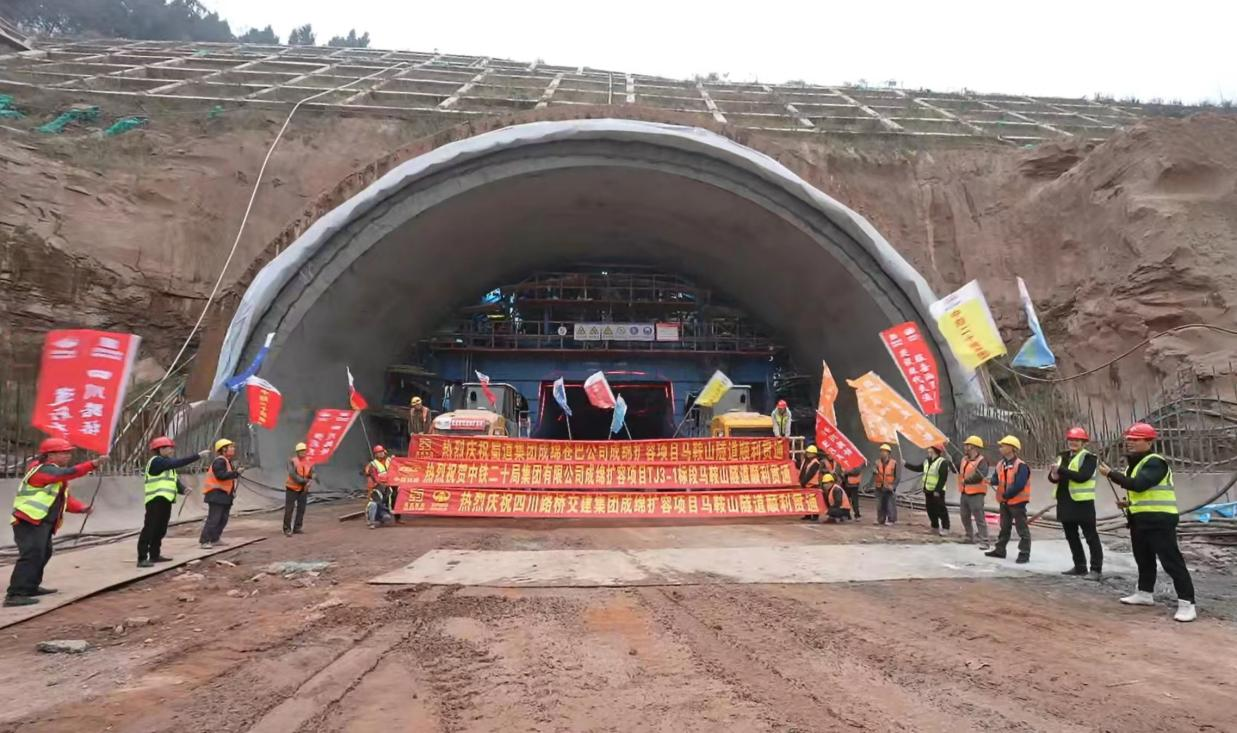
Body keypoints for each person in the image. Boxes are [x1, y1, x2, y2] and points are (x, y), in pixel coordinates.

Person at [1100, 422, 1195, 622]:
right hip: (1140, 519)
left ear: (1149, 442)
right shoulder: (1134, 465)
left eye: (1136, 440)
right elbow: (1139, 491)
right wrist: (1128, 503)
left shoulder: (1155, 463)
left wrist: (1110, 474)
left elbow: (1140, 485)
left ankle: (1187, 603)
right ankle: (1144, 593)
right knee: (1143, 559)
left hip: (1160, 520)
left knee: (1172, 562)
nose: (1131, 443)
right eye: (1129, 440)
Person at [5, 439, 104, 607]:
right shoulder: (42, 470)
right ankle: (15, 594)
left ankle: (31, 586)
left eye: (68, 452)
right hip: (29, 520)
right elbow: (69, 472)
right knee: (31, 555)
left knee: (44, 553)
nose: (68, 456)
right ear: (50, 455)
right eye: (64, 452)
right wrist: (92, 464)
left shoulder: (54, 474)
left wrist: (81, 508)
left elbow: (61, 498)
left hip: (41, 522)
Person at [139, 436, 210, 567]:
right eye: (169, 448)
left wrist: (182, 489)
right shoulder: (157, 461)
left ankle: (154, 555)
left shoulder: (166, 464)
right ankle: (142, 557)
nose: (171, 450)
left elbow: (173, 481)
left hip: (165, 500)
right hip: (155, 500)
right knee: (150, 529)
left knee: (160, 529)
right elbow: (177, 463)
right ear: (160, 449)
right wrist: (197, 456)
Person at [1050, 427, 1102, 579]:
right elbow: (1054, 477)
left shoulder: (1089, 458)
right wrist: (1054, 474)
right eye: (1071, 440)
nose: (1073, 443)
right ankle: (1080, 566)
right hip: (1065, 501)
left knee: (1091, 537)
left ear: (1083, 442)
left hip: (1082, 503)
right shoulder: (1062, 456)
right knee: (1071, 536)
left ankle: (1096, 569)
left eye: (1077, 440)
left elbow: (1082, 477)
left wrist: (1061, 470)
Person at [985, 436, 1031, 563]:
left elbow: (1020, 484)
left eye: (1003, 446)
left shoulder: (1021, 466)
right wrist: (990, 481)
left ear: (1012, 448)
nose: (1000, 448)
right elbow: (996, 479)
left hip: (1017, 502)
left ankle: (1024, 553)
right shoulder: (1001, 464)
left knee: (1022, 529)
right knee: (1004, 527)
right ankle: (1000, 550)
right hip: (1004, 501)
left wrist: (1007, 494)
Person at [199, 438, 241, 549]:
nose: (233, 449)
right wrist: (236, 473)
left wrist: (232, 492)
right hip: (216, 494)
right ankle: (205, 540)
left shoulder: (226, 461)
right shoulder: (219, 461)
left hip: (224, 495)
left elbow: (228, 480)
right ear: (223, 449)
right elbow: (221, 476)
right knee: (214, 518)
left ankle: (215, 539)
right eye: (231, 447)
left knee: (223, 519)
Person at [906, 445, 950, 535]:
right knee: (930, 510)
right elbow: (918, 468)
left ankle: (945, 527)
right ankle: (934, 527)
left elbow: (943, 478)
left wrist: (937, 490)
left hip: (938, 491)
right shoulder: (927, 461)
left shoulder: (942, 462)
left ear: (935, 451)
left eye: (930, 449)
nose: (928, 451)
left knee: (941, 510)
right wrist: (906, 464)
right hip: (928, 490)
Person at [958, 436, 991, 549]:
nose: (965, 447)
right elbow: (958, 469)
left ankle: (984, 541)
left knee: (979, 518)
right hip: (964, 492)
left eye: (967, 445)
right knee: (964, 516)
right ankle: (969, 536)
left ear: (974, 447)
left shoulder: (982, 461)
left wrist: (966, 480)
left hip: (977, 493)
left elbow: (981, 475)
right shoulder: (964, 459)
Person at [283, 442, 315, 537]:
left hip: (303, 489)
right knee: (289, 509)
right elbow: (292, 475)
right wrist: (304, 481)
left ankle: (297, 527)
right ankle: (287, 528)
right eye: (301, 451)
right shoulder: (292, 461)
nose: (303, 453)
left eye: (304, 451)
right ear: (297, 452)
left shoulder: (309, 461)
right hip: (292, 488)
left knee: (301, 509)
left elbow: (313, 472)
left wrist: (310, 480)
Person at [364, 445, 395, 528]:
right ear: (375, 454)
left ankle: (385, 516)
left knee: (391, 497)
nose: (381, 454)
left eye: (381, 452)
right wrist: (380, 483)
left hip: (388, 484)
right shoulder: (373, 464)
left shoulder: (389, 460)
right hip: (378, 485)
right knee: (374, 503)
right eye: (378, 453)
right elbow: (371, 474)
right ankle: (371, 521)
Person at [872, 443, 898, 526]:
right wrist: (874, 472)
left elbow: (897, 476)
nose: (882, 453)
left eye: (884, 451)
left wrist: (893, 486)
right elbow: (873, 474)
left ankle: (891, 520)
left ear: (888, 453)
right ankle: (880, 519)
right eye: (881, 451)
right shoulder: (877, 462)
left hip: (889, 487)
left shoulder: (894, 463)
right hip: (879, 486)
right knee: (880, 505)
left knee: (890, 504)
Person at [799, 445, 823, 521]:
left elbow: (810, 474)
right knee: (806, 500)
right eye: (808, 453)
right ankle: (808, 515)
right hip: (805, 485)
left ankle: (815, 516)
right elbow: (802, 470)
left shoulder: (815, 463)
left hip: (813, 484)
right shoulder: (805, 461)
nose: (808, 454)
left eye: (810, 453)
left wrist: (803, 482)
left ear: (814, 454)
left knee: (813, 501)